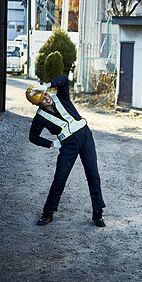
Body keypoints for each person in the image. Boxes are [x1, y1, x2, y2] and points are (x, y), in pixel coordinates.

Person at [25, 75, 106, 227]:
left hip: (85, 136)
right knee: (59, 179)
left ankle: (98, 214)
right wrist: (50, 144)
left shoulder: (61, 97)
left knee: (93, 176)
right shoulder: (40, 117)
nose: (46, 98)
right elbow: (33, 137)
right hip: (68, 145)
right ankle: (48, 213)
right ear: (38, 104)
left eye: (46, 94)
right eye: (42, 99)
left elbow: (64, 79)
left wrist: (47, 85)